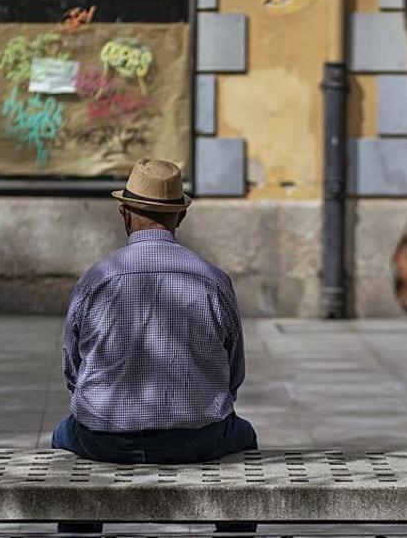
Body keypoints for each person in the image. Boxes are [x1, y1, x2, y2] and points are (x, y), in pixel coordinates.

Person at [52, 158, 257, 534]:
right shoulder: (213, 280)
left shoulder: (96, 279)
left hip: (102, 438)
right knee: (245, 436)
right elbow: (233, 372)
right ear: (180, 217)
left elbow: (72, 370)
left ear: (124, 214)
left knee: (61, 438)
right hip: (197, 438)